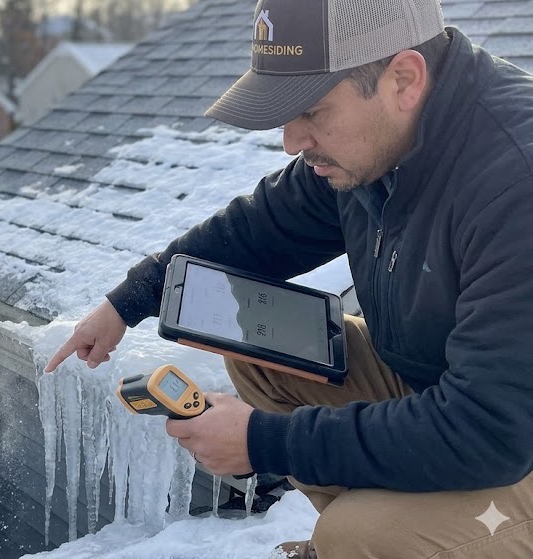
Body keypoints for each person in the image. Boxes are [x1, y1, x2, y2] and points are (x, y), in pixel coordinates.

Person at [44, 0, 533, 557]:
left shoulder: (516, 182)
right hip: (451, 386)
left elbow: (491, 429)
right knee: (259, 340)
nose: (291, 141)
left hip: (510, 436)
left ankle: (383, 539)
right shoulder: (378, 145)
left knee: (359, 536)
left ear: (403, 79)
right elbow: (257, 230)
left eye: (312, 111)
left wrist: (263, 442)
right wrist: (127, 301)